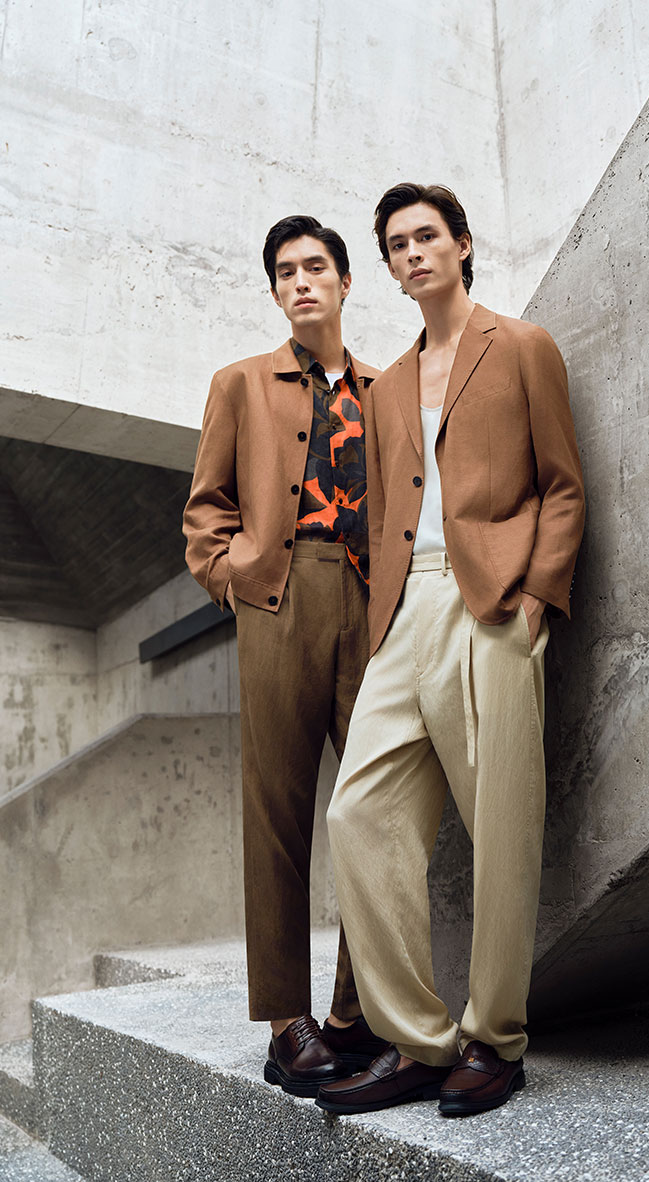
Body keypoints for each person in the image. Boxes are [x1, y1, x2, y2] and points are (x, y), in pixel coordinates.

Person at [317, 183, 585, 1117]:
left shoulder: (522, 346)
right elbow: (385, 515)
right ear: (389, 269)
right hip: (406, 609)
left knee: (502, 827)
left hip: (493, 604)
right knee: (357, 813)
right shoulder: (386, 384)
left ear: (462, 244)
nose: (413, 253)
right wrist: (380, 617)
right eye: (396, 245)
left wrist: (535, 598)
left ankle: (497, 1042)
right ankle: (419, 1041)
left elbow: (562, 485)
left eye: (427, 236)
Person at [183, 214, 387, 1097]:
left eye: (315, 267)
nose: (301, 281)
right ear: (275, 293)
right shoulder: (240, 383)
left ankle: (352, 1012)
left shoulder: (387, 390)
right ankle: (285, 1023)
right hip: (278, 596)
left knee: (378, 806)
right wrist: (232, 580)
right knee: (277, 811)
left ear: (344, 282)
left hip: (371, 603)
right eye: (285, 272)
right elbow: (206, 509)